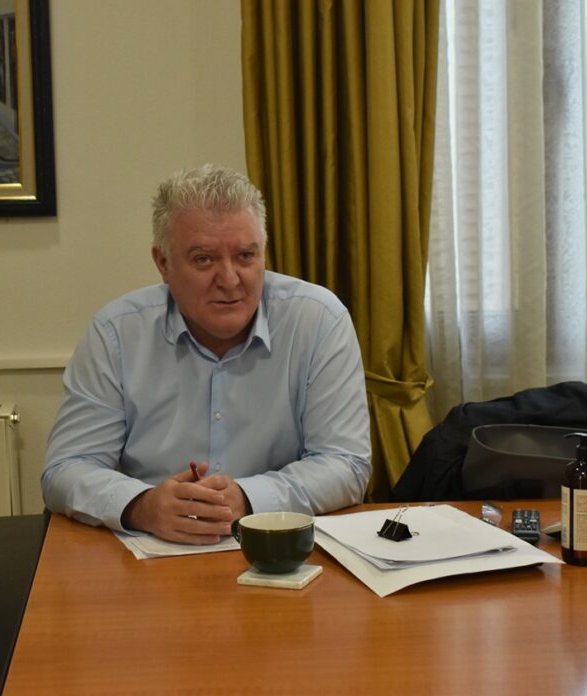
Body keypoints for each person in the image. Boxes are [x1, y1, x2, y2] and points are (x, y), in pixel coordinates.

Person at [42, 164, 371, 544]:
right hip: (150, 552)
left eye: (245, 256)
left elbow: (346, 463)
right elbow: (67, 468)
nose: (229, 280)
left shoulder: (318, 320)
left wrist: (248, 498)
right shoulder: (116, 333)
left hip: (281, 549)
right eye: (204, 259)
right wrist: (142, 506)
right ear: (163, 263)